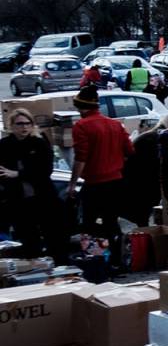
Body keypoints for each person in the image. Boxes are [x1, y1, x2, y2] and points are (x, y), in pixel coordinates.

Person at [67, 86, 133, 247]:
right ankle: (117, 260)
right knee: (111, 222)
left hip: (94, 184)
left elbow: (80, 158)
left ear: (82, 107)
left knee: (89, 223)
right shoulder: (115, 125)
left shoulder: (81, 126)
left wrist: (72, 184)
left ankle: (95, 258)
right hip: (116, 182)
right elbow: (130, 150)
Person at [0, 109, 67, 257]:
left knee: (54, 238)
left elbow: (44, 171)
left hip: (43, 198)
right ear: (11, 125)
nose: (24, 127)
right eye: (20, 124)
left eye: (27, 123)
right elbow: (4, 173)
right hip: (18, 201)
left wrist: (18, 174)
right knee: (29, 240)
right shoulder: (4, 145)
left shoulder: (39, 143)